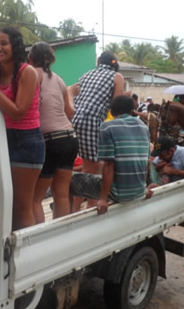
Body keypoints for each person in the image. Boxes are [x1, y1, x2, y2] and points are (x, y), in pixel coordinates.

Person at [0, 27, 45, 230]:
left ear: (15, 45)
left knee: (21, 205)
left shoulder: (27, 72)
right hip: (1, 138)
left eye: (4, 43)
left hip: (26, 141)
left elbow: (18, 112)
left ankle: (27, 248)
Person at [69, 95, 151, 214]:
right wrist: (143, 189)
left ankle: (70, 214)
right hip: (139, 191)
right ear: (131, 111)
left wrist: (103, 199)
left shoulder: (107, 127)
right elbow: (147, 162)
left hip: (119, 193)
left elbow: (108, 165)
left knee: (67, 180)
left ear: (111, 112)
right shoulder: (144, 127)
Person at [29, 42, 79, 222]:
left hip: (51, 140)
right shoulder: (59, 79)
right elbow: (70, 113)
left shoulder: (32, 74)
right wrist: (71, 94)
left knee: (35, 199)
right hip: (70, 138)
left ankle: (41, 236)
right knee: (61, 194)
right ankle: (61, 233)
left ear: (31, 59)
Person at [71, 51, 124, 207]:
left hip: (74, 119)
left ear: (100, 62)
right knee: (91, 170)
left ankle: (78, 208)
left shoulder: (86, 74)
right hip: (91, 121)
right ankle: (86, 210)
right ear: (115, 64)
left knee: (89, 167)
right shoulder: (117, 77)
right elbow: (117, 105)